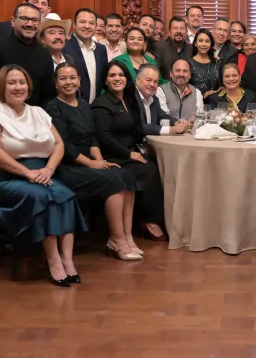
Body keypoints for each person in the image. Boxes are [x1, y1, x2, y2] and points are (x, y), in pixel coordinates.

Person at [0, 65, 87, 287]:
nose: (18, 87)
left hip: (40, 173)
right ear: (2, 87)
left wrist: (49, 169)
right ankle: (53, 260)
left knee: (65, 194)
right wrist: (27, 173)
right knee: (42, 197)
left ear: (28, 86)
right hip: (0, 176)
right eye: (12, 83)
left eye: (22, 82)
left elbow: (59, 144)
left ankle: (67, 259)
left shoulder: (38, 112)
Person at [45, 63, 143, 261]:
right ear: (55, 83)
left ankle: (127, 236)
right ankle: (116, 240)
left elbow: (92, 139)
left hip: (88, 160)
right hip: (67, 166)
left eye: (72, 77)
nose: (69, 82)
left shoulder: (83, 105)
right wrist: (91, 164)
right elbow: (64, 146)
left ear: (79, 80)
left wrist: (100, 161)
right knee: (113, 180)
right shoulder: (52, 108)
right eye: (63, 78)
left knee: (125, 174)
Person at [91, 61, 166, 241]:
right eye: (112, 75)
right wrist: (129, 154)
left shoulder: (129, 101)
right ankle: (146, 221)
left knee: (155, 165)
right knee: (148, 170)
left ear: (127, 78)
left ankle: (147, 219)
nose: (117, 79)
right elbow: (104, 137)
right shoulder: (101, 104)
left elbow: (137, 127)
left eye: (121, 75)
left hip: (129, 151)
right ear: (105, 80)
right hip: (112, 156)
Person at [0, 3, 56, 114]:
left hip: (33, 119)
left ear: (39, 24)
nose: (30, 24)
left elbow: (48, 95)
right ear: (13, 21)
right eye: (24, 18)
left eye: (35, 20)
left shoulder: (44, 54)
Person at [63, 8, 108, 103]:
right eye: (82, 22)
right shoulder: (64, 47)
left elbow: (103, 80)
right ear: (74, 24)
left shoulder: (101, 49)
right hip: (71, 105)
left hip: (96, 107)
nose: (87, 26)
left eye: (91, 23)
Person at [136, 64, 188, 135]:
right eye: (148, 80)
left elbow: (162, 116)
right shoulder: (130, 98)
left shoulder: (154, 99)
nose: (152, 84)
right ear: (137, 80)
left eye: (155, 82)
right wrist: (170, 130)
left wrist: (176, 122)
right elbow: (139, 127)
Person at [188, 28, 222, 100]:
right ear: (195, 43)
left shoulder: (217, 63)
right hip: (195, 103)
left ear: (211, 44)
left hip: (215, 103)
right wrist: (203, 95)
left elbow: (221, 87)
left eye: (207, 41)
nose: (204, 44)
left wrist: (215, 92)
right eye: (200, 41)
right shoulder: (188, 64)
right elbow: (185, 88)